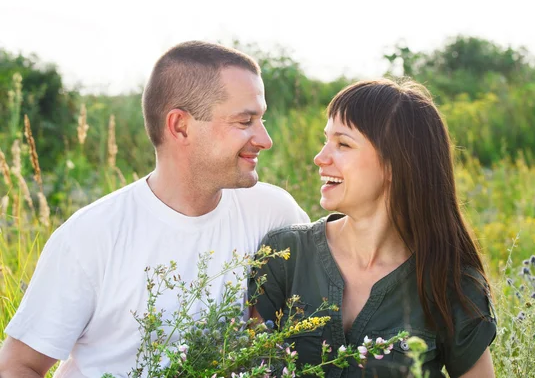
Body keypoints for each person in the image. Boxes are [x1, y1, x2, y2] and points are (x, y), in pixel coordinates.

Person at [0, 41, 309, 377]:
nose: (265, 139)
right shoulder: (91, 237)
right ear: (180, 126)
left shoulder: (273, 213)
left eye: (260, 119)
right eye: (244, 121)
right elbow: (19, 366)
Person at [249, 79, 496, 377]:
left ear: (395, 163)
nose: (320, 158)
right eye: (325, 141)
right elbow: (249, 365)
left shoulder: (450, 282)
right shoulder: (285, 255)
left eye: (343, 144)